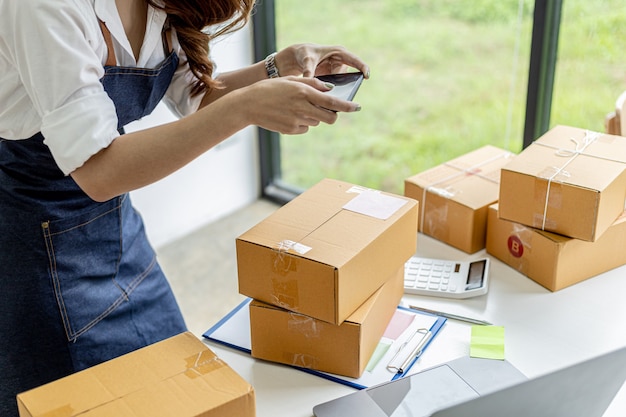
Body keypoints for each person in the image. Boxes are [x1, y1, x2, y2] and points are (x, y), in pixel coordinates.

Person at [0, 0, 370, 414]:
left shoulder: (159, 5)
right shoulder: (43, 7)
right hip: (34, 243)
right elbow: (99, 170)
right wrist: (246, 108)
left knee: (174, 384)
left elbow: (193, 96)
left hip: (116, 229)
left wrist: (274, 69)